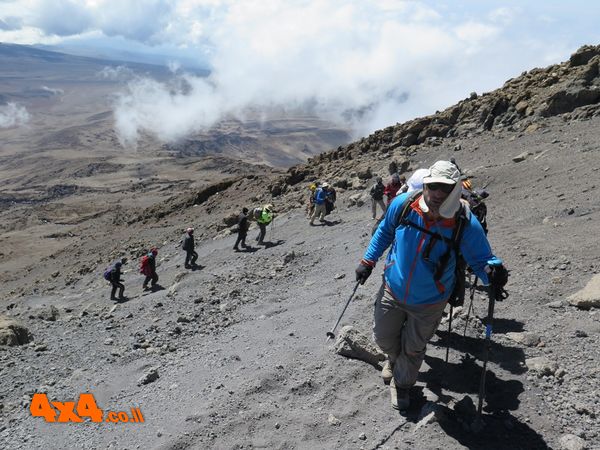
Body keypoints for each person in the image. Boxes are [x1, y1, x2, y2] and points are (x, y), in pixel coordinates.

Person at [355, 160, 508, 411]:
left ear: (455, 189)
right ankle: (394, 360)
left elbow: (481, 259)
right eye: (433, 186)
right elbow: (384, 232)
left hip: (430, 300)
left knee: (414, 349)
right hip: (393, 288)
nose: (437, 193)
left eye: (445, 188)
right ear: (426, 184)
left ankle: (402, 385)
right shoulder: (403, 205)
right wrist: (367, 261)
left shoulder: (463, 222)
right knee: (383, 338)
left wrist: (492, 272)